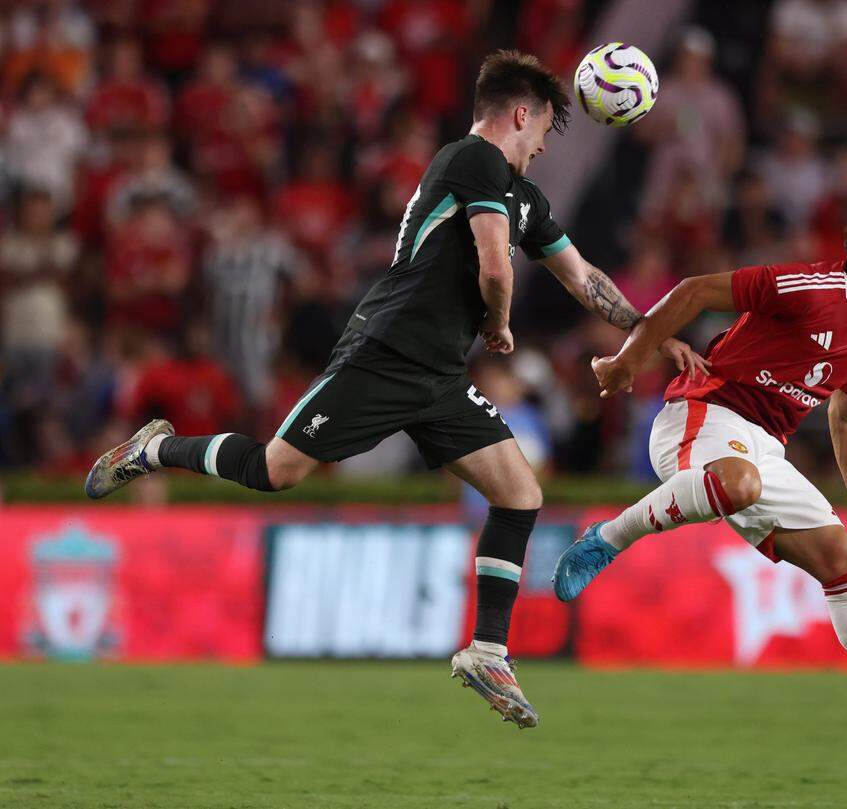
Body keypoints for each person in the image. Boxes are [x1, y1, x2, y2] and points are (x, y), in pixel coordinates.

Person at [84, 50, 705, 730]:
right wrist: (497, 325)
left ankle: (488, 650)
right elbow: (495, 267)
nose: (542, 145)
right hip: (386, 351)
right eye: (545, 129)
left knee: (520, 492)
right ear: (520, 114)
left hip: (437, 373)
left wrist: (650, 335)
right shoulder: (473, 161)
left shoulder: (523, 195)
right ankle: (158, 446)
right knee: (275, 469)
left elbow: (583, 277)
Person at [553, 194, 847, 759]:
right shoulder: (812, 288)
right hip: (702, 415)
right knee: (740, 483)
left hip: (764, 450)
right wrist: (631, 357)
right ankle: (607, 538)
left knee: (844, 559)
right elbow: (694, 291)